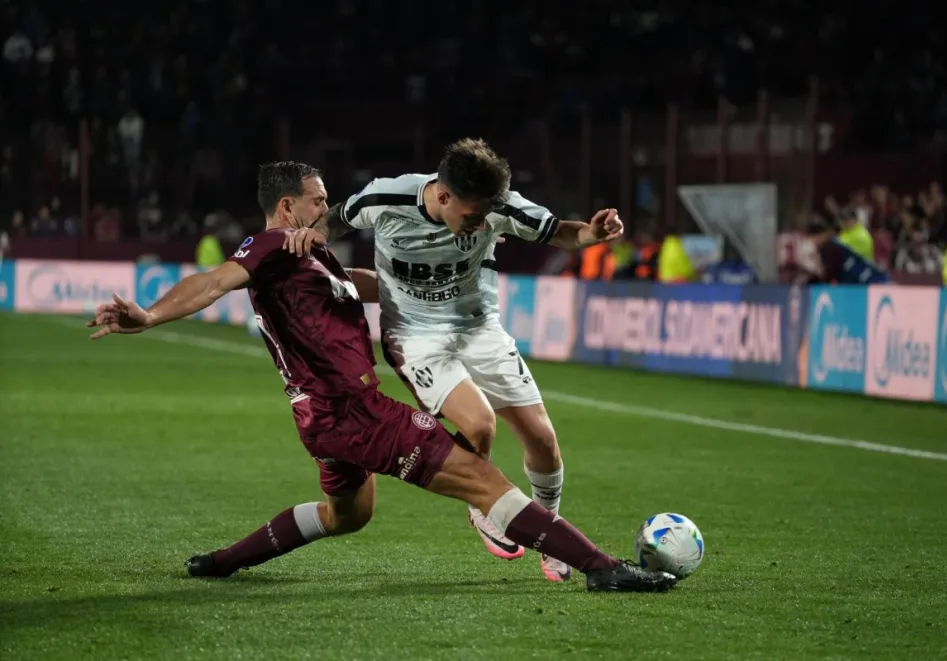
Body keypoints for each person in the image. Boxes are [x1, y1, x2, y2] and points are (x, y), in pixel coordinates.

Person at [85, 161, 677, 593]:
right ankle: (602, 568)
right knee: (480, 477)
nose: (328, 208)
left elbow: (364, 285)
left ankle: (221, 563)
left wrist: (399, 285)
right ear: (288, 206)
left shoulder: (312, 255)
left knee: (349, 515)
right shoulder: (271, 246)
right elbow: (214, 282)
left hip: (320, 419)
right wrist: (151, 315)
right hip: (352, 411)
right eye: (318, 200)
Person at [283, 139, 623, 582]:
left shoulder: (498, 206)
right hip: (415, 336)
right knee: (480, 425)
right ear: (442, 196)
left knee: (543, 440)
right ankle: (483, 505)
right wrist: (317, 234)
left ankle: (548, 536)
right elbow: (338, 217)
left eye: (486, 217)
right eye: (472, 217)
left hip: (480, 329)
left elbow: (561, 230)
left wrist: (592, 234)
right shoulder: (387, 196)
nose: (480, 224)